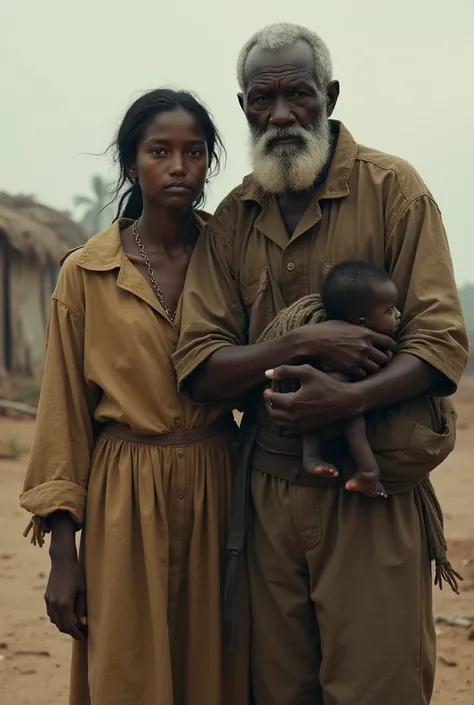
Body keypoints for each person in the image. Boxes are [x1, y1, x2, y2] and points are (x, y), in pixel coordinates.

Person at [173, 22, 468, 705]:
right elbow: (201, 366)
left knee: (377, 687)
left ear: (329, 95)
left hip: (371, 490)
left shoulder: (395, 190)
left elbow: (441, 342)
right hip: (268, 495)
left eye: (298, 94)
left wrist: (344, 403)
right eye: (262, 98)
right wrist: (302, 344)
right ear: (243, 105)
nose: (280, 114)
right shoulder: (234, 220)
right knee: (278, 691)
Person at [20, 88, 249, 705]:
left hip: (218, 485)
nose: (179, 166)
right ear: (129, 164)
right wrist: (63, 555)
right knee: (127, 672)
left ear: (208, 163)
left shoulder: (231, 259)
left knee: (218, 671)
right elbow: (63, 413)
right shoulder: (85, 273)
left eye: (195, 152)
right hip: (124, 495)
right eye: (160, 151)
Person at [263, 259, 401, 498]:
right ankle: (368, 471)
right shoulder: (357, 343)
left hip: (317, 399)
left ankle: (311, 458)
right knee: (353, 423)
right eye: (389, 311)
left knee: (311, 420)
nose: (399, 314)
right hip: (334, 394)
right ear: (361, 322)